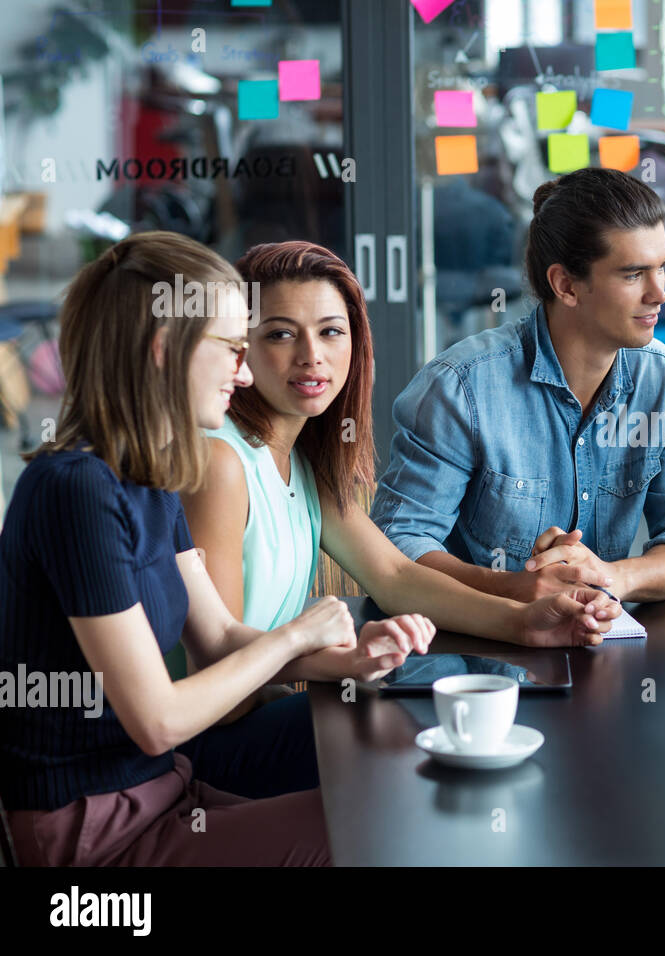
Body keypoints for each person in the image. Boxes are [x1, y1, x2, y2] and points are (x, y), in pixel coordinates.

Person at [0, 232, 431, 866]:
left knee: (382, 799)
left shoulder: (147, 480)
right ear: (163, 350)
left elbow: (219, 638)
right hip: (91, 833)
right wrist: (296, 635)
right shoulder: (75, 493)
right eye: (232, 350)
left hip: (159, 792)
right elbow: (158, 721)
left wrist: (345, 659)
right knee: (369, 829)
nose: (246, 372)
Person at [182, 240, 620, 653]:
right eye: (280, 334)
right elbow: (220, 664)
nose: (311, 355)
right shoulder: (222, 462)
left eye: (331, 331)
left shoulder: (303, 461)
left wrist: (525, 622)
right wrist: (337, 675)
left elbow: (395, 576)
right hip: (224, 723)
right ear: (241, 347)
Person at [370, 168, 665, 601]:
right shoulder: (461, 389)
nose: (660, 293)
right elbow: (394, 548)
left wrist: (614, 577)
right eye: (634, 274)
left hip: (606, 647)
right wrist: (516, 588)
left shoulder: (663, 383)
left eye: (662, 268)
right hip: (474, 656)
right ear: (566, 285)